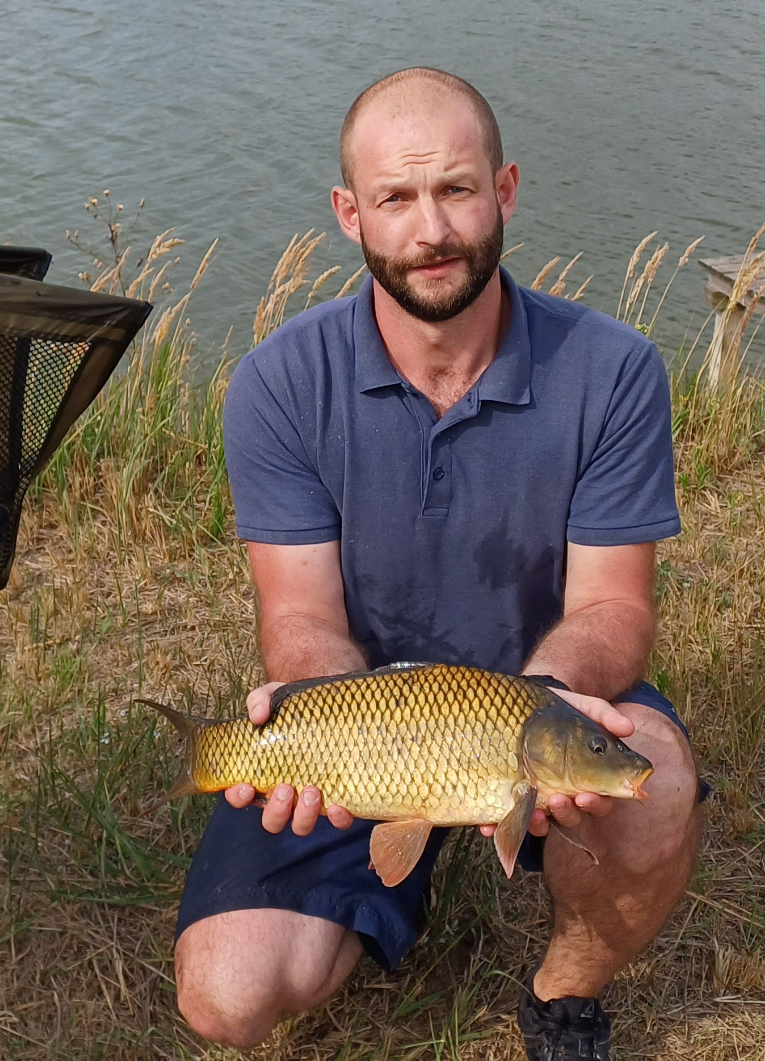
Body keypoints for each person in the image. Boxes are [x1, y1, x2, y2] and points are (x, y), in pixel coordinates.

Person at [173, 67, 700, 1061]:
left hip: (541, 703)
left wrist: (545, 701)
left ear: (502, 191)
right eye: (396, 198)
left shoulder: (612, 367)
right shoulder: (279, 381)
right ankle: (380, 890)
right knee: (227, 996)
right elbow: (298, 620)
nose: (431, 231)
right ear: (348, 213)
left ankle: (562, 993)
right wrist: (324, 730)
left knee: (656, 785)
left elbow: (614, 608)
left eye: (455, 189)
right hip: (370, 723)